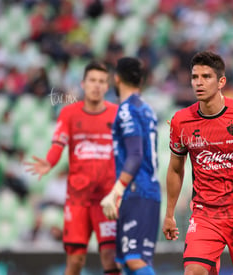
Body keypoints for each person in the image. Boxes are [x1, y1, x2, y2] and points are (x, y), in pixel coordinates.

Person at [162, 51, 233, 275]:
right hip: (206, 214)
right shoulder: (181, 121)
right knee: (193, 271)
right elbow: (175, 169)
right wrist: (169, 214)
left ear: (221, 81)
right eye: (195, 77)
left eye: (206, 77)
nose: (199, 82)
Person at [25, 61, 120, 275]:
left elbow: (128, 152)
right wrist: (49, 162)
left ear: (107, 86)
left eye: (102, 81)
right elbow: (58, 144)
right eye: (92, 81)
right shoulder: (69, 113)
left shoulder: (117, 115)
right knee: (75, 260)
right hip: (78, 199)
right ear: (83, 84)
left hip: (106, 200)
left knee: (110, 258)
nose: (97, 85)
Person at [100, 57, 161, 275]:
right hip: (146, 190)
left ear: (116, 79)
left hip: (137, 190)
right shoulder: (147, 110)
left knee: (135, 260)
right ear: (141, 81)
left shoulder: (127, 110)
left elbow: (135, 155)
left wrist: (117, 189)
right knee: (127, 262)